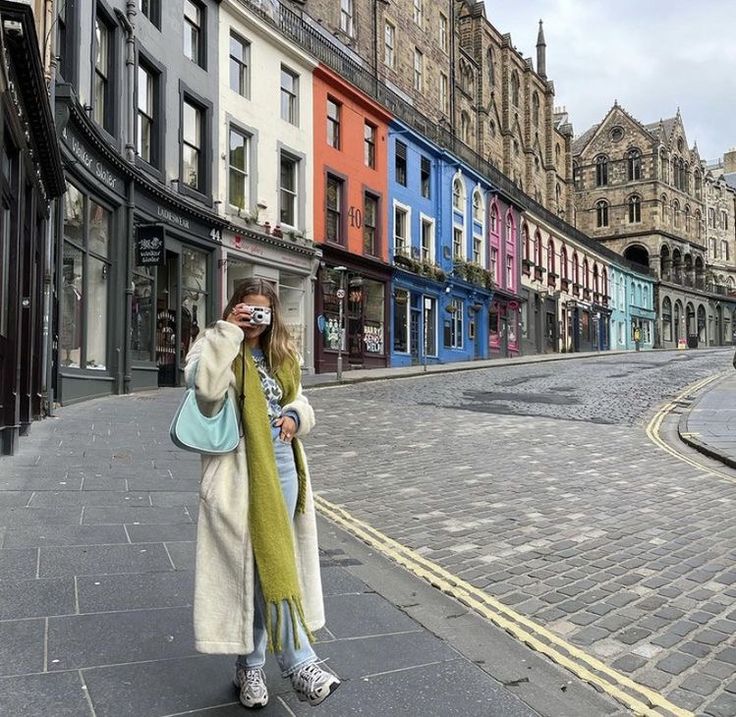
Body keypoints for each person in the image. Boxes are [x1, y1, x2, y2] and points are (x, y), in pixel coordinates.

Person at [184, 278, 340, 709]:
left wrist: (293, 416)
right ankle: (295, 664)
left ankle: (250, 667)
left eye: (261, 311)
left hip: (285, 469)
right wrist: (228, 334)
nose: (253, 318)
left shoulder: (281, 356)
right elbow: (207, 394)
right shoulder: (213, 344)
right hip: (238, 473)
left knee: (269, 563)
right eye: (246, 309)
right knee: (259, 567)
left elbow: (301, 401)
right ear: (234, 308)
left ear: (272, 314)